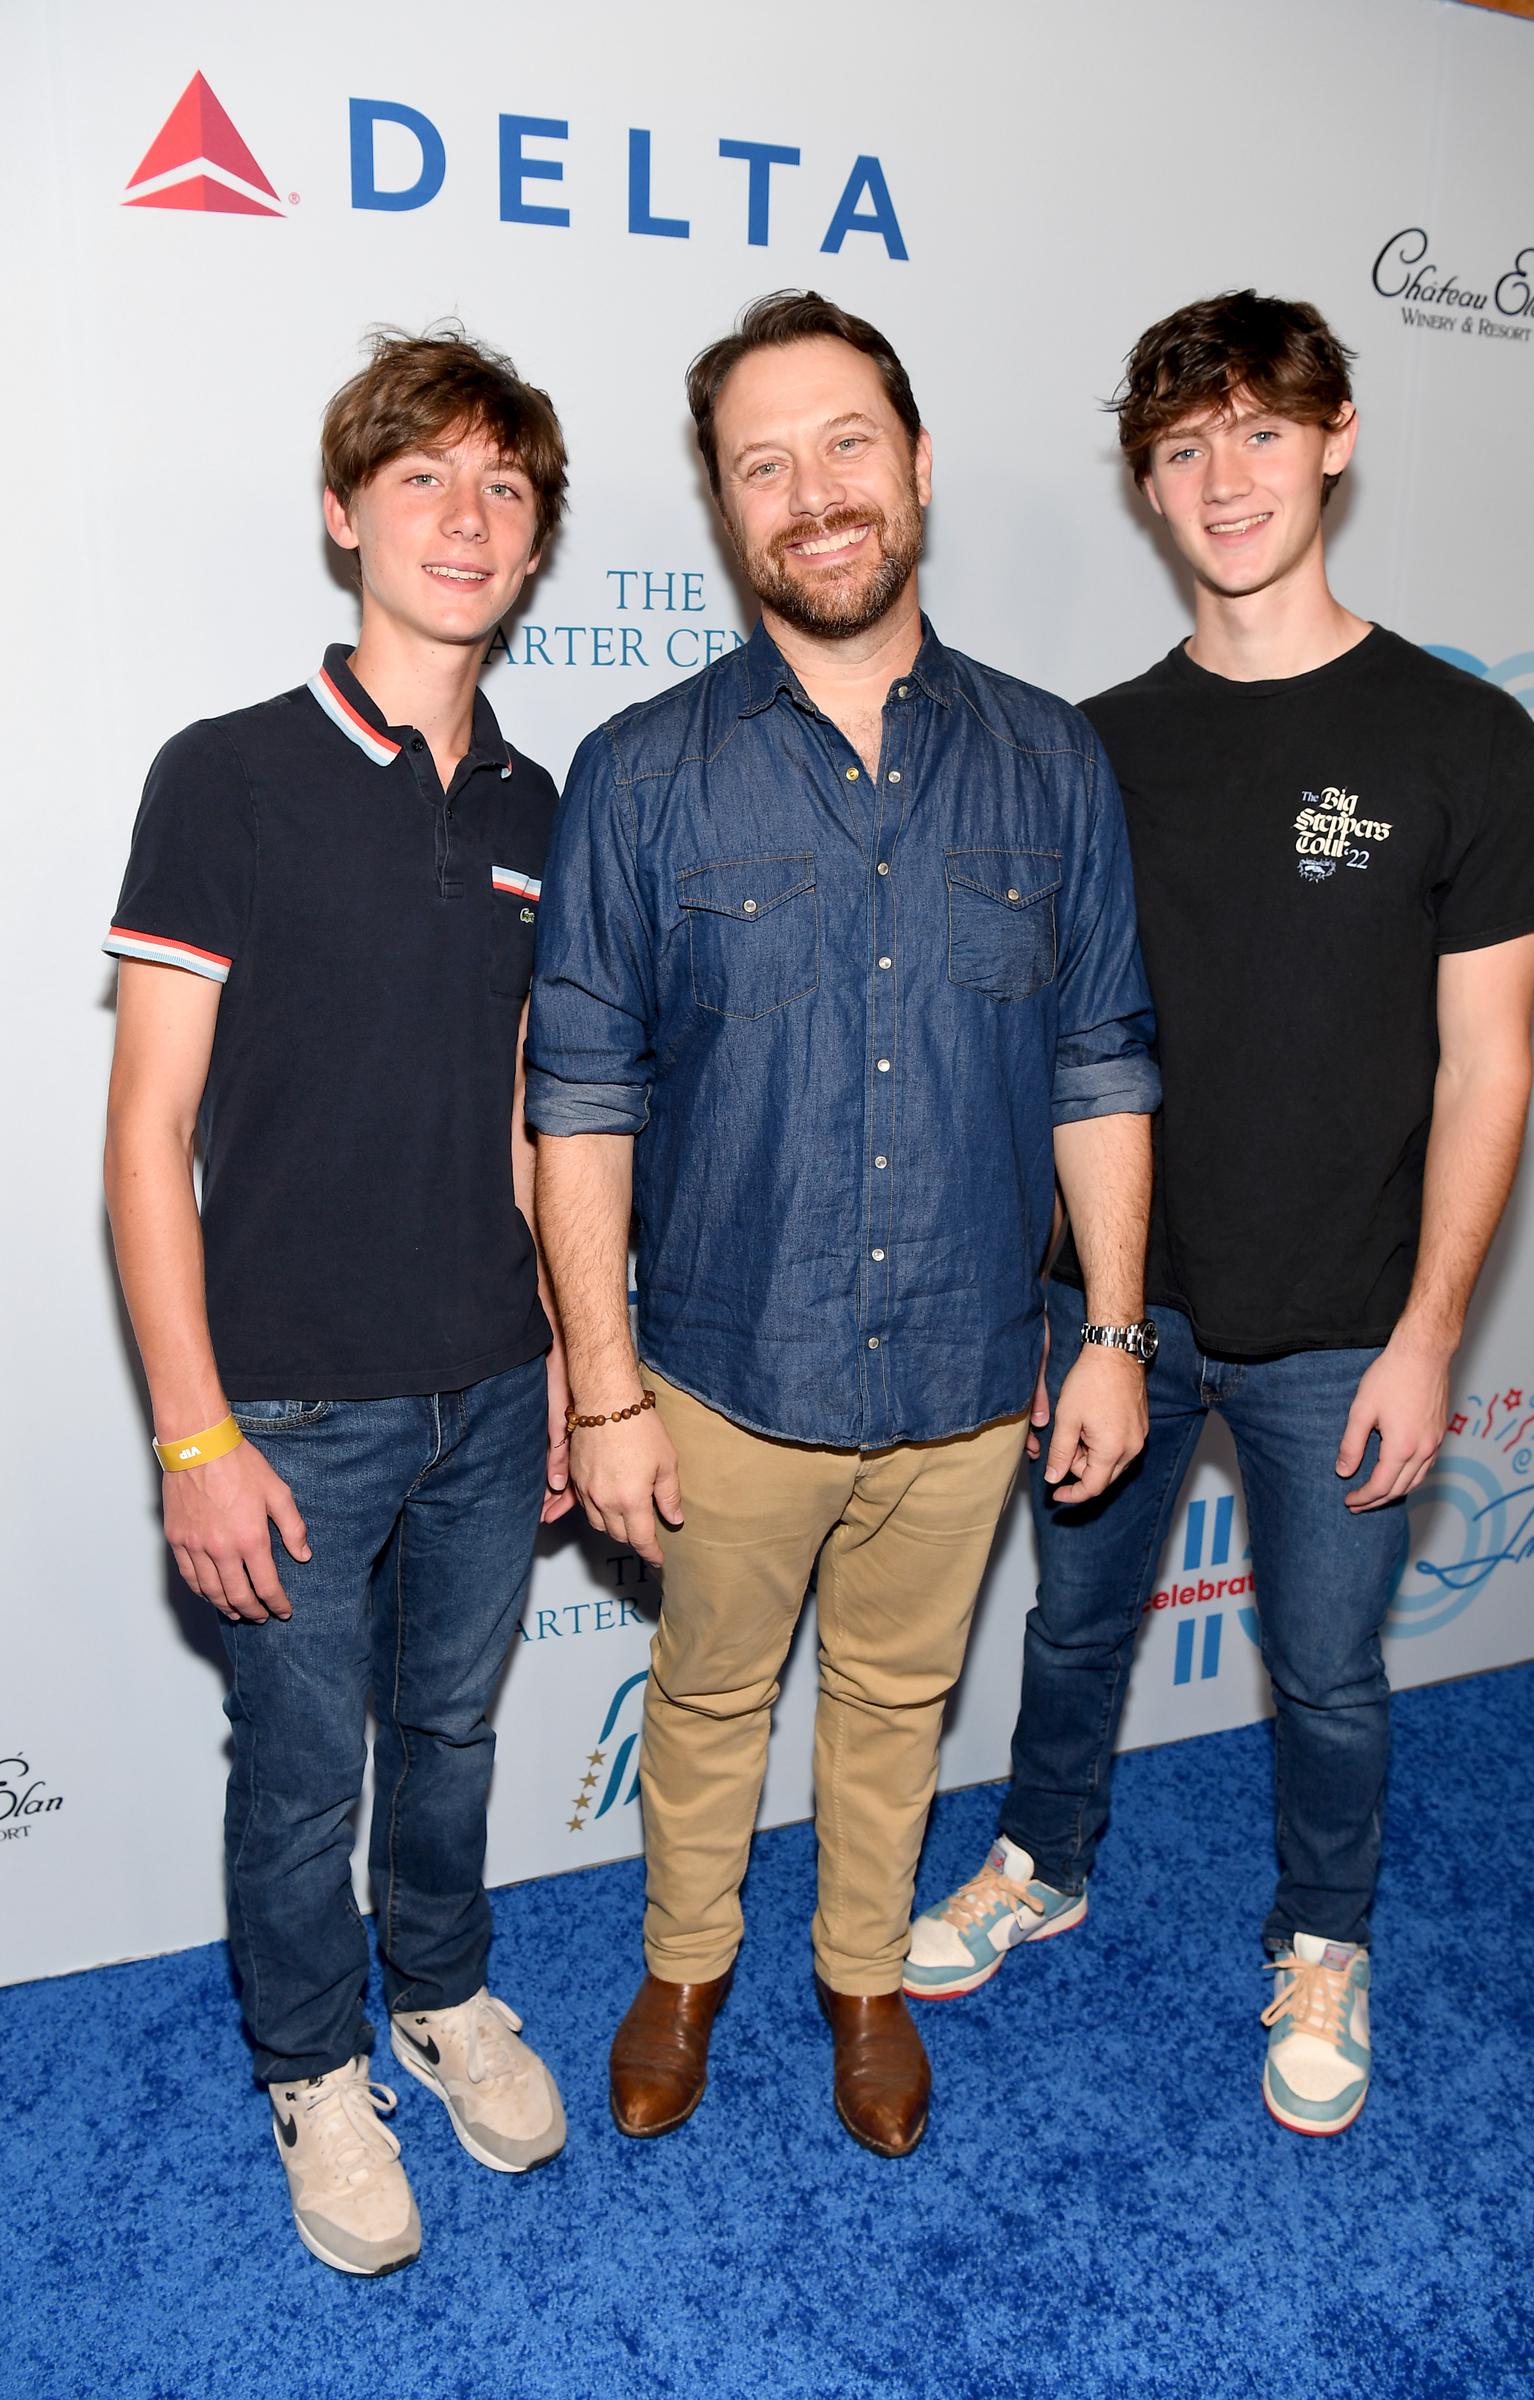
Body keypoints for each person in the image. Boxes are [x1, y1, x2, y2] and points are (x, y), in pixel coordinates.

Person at [906, 289, 1534, 2136]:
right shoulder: (1090, 746)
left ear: (1337, 438)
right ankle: (1041, 1859)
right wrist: (1085, 1318)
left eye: (1261, 434)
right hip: (1118, 1307)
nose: (1226, 479)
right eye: (1186, 448)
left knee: (1327, 1671)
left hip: (1351, 1321)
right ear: (1148, 484)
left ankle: (1324, 1938)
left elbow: (1491, 1072)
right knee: (1069, 1628)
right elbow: (1051, 1049)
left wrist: (1435, 1336)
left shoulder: (1466, 738)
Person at [527, 290, 1161, 2159]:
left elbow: (1102, 1063)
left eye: (845, 445)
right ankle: (682, 1964)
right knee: (708, 1695)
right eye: (762, 463)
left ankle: (863, 1973)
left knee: (897, 1699)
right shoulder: (639, 773)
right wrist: (605, 1388)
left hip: (976, 1368)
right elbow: (580, 1098)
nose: (812, 493)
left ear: (920, 467)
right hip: (721, 1369)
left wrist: (1113, 1334)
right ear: (728, 512)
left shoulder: (1052, 761)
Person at [103, 329, 574, 2274]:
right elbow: (147, 1140)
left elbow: (547, 1123)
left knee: (452, 1738)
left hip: (490, 1384)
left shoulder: (543, 806)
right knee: (302, 1783)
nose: (463, 523)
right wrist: (193, 1435)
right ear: (341, 515)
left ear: (535, 540)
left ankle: (443, 1992)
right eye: (422, 483)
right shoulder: (224, 775)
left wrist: (573, 1370)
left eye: (503, 490)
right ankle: (312, 2064)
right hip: (288, 1410)